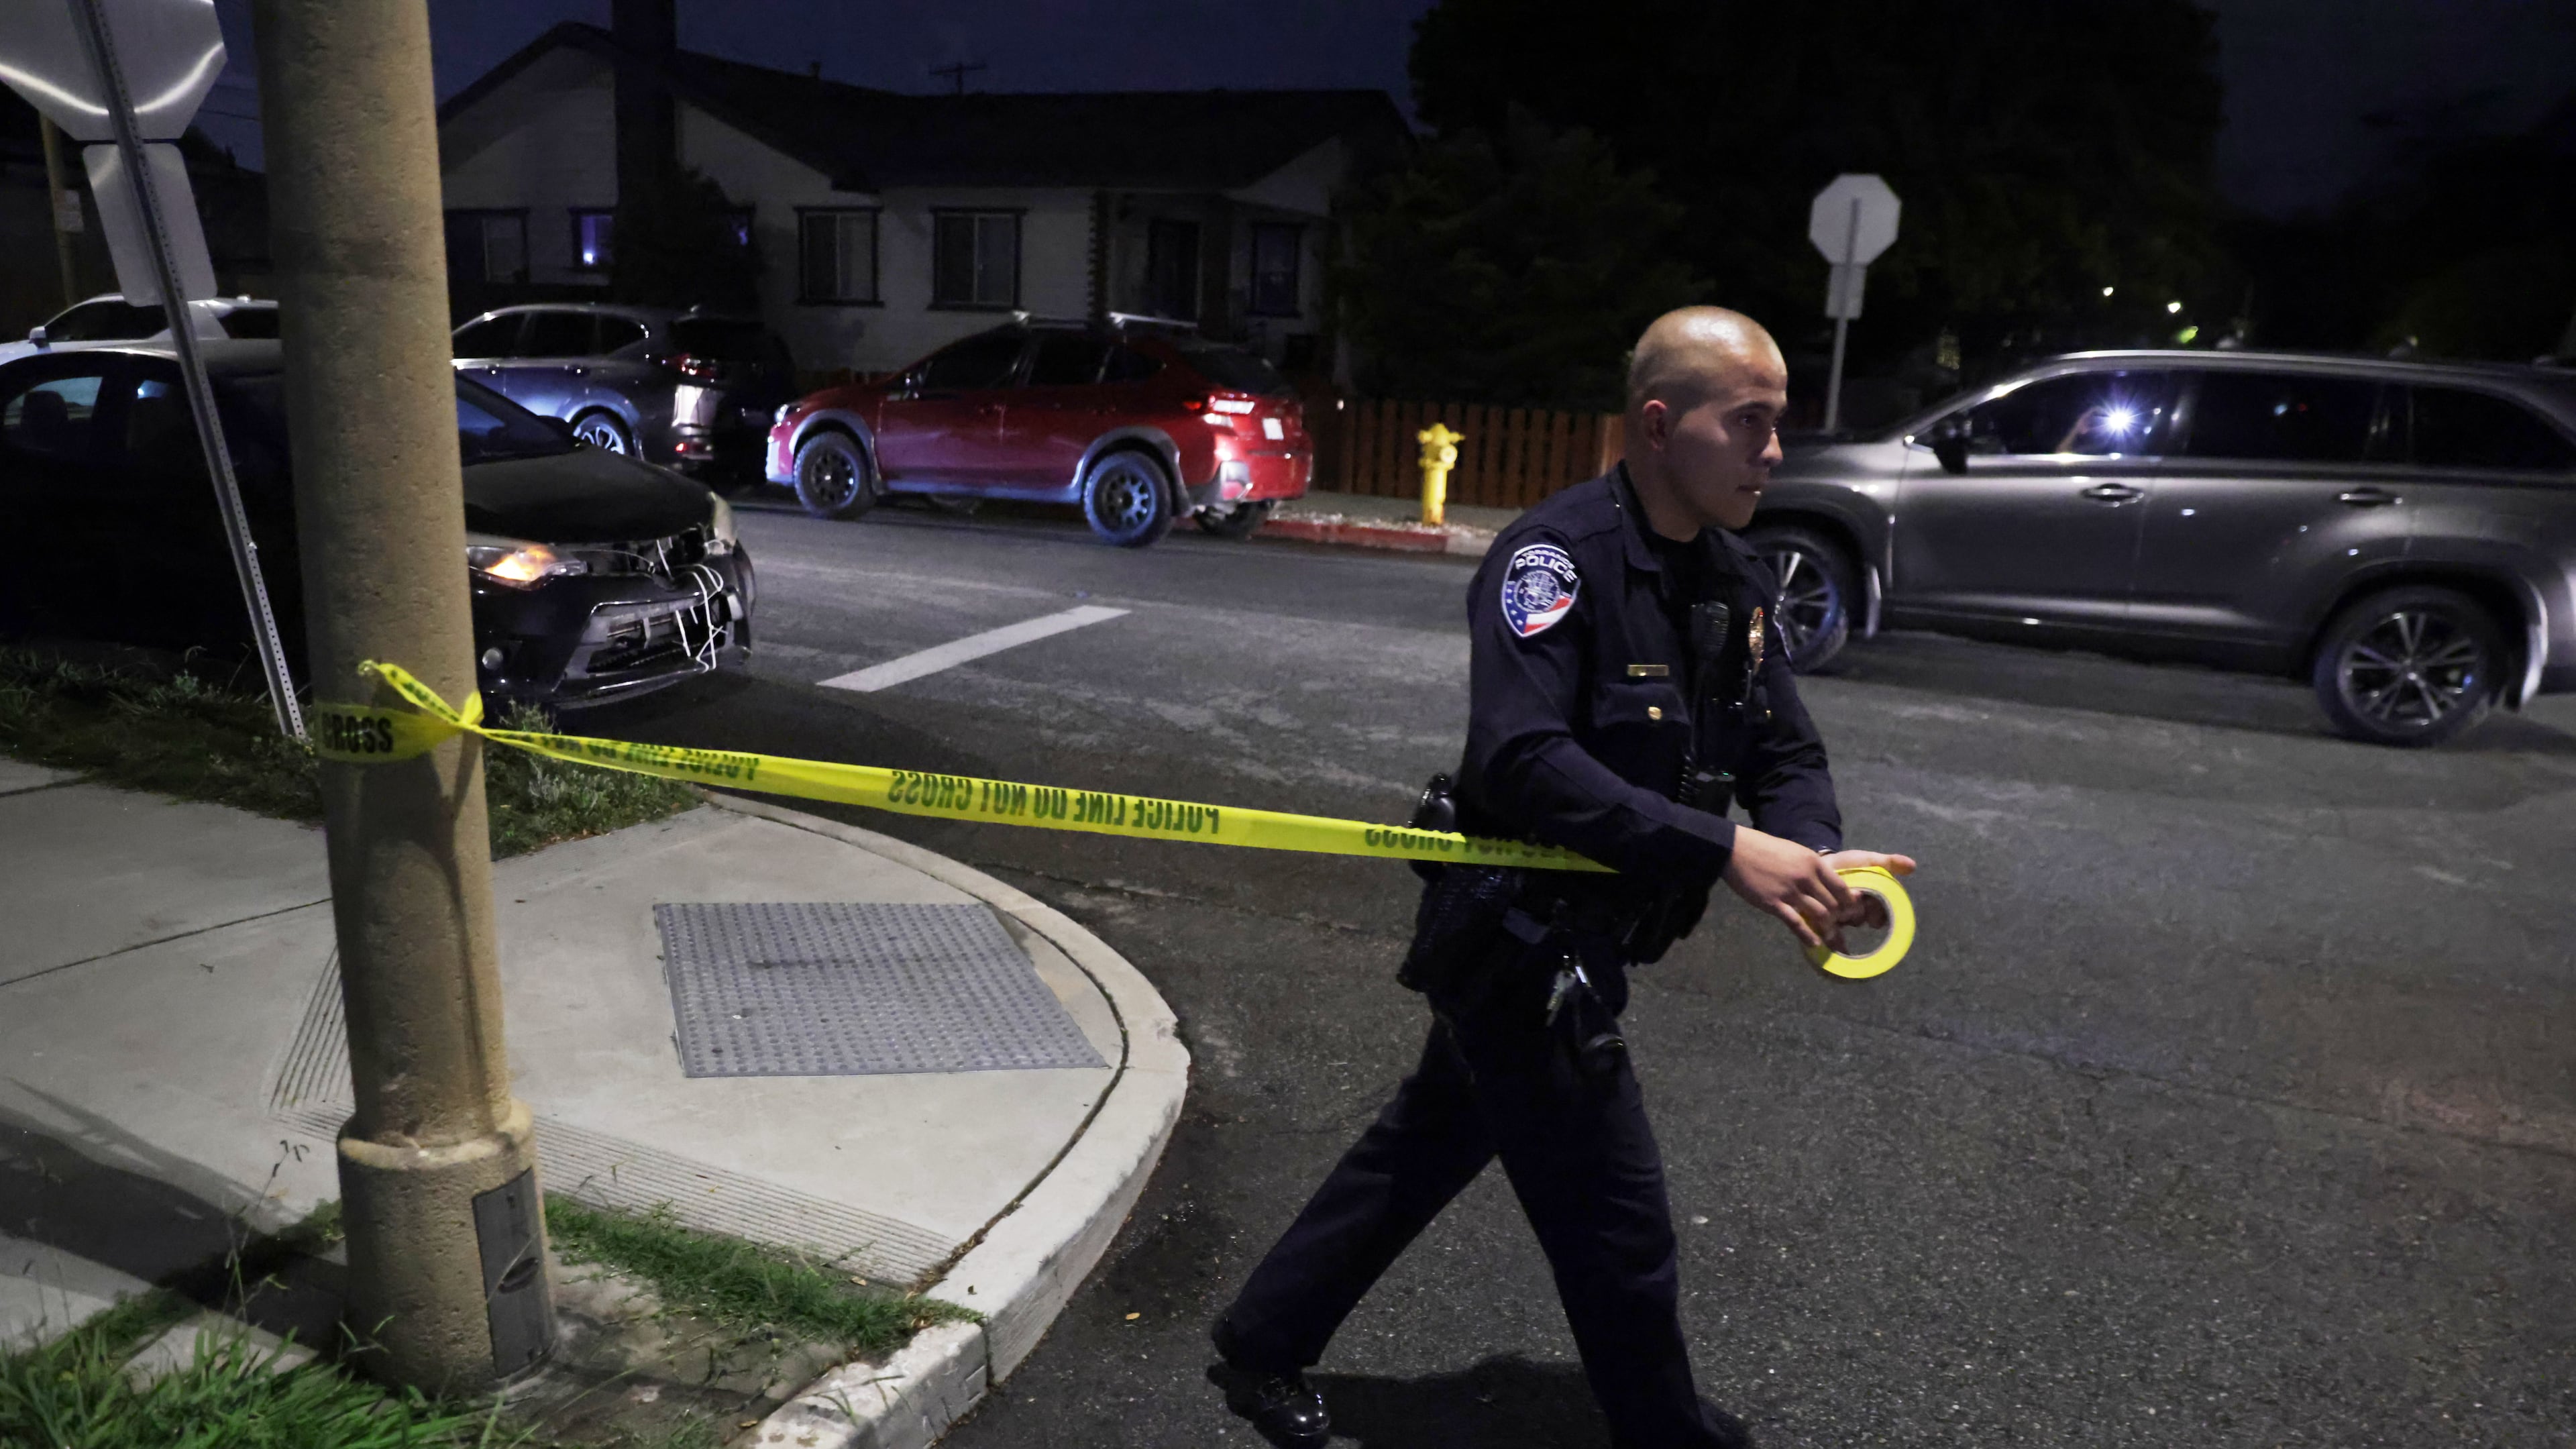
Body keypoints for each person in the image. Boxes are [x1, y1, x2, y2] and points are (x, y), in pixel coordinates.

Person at [1206, 307, 1917, 1448]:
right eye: (1750, 423)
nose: (1773, 451)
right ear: (1656, 423)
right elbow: (1521, 759)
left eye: (1779, 425)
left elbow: (1784, 747)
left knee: (1426, 1144)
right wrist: (1725, 849)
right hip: (1521, 949)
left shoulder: (1730, 576)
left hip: (1592, 937)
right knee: (1619, 1230)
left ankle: (1260, 1341)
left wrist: (1816, 849)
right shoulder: (1555, 559)